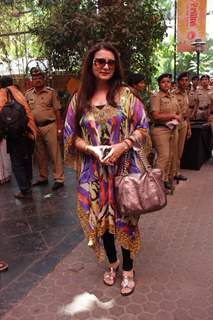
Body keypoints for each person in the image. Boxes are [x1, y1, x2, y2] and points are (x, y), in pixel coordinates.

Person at [64, 42, 150, 296]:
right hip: (93, 175)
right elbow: (70, 135)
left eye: (110, 62)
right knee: (102, 221)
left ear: (116, 66)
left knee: (125, 221)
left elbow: (143, 128)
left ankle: (128, 270)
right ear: (91, 65)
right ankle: (112, 264)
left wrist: (122, 146)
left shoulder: (126, 95)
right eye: (100, 61)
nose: (105, 66)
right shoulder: (78, 98)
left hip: (124, 172)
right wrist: (92, 150)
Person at [25, 68, 64, 190]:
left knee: (54, 154)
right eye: (35, 78)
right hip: (35, 127)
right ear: (32, 80)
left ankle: (59, 178)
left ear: (43, 79)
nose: (37, 80)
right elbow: (26, 112)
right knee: (39, 154)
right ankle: (43, 177)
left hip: (50, 126)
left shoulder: (51, 92)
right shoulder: (28, 94)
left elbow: (58, 111)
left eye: (39, 78)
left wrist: (59, 129)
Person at [0, 76, 36, 199]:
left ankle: (24, 190)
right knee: (26, 161)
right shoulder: (18, 92)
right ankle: (28, 186)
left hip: (14, 135)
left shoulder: (3, 93)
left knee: (17, 164)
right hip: (27, 132)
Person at [150, 73, 180, 191]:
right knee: (164, 157)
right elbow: (156, 115)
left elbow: (178, 112)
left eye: (168, 81)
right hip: (160, 129)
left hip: (173, 129)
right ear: (159, 84)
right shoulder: (156, 97)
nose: (166, 84)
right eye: (163, 82)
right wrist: (172, 116)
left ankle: (165, 179)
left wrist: (176, 118)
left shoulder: (172, 96)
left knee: (172, 155)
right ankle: (156, 183)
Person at [174, 72, 191, 182]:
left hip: (184, 123)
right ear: (178, 82)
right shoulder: (173, 94)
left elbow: (187, 111)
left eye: (186, 80)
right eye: (182, 80)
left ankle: (177, 172)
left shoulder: (186, 93)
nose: (184, 82)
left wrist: (189, 127)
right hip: (175, 124)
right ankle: (171, 173)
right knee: (174, 149)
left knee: (180, 150)